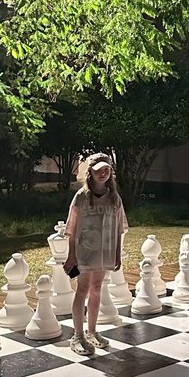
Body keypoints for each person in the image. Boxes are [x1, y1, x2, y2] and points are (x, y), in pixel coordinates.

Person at [63, 152, 128, 355]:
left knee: (97, 288)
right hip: (85, 252)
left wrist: (117, 253)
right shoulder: (81, 197)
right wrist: (71, 255)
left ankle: (91, 331)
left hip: (104, 251)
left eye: (107, 169)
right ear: (90, 172)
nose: (103, 173)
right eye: (99, 170)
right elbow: (72, 228)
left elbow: (119, 228)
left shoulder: (114, 198)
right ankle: (77, 335)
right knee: (82, 289)